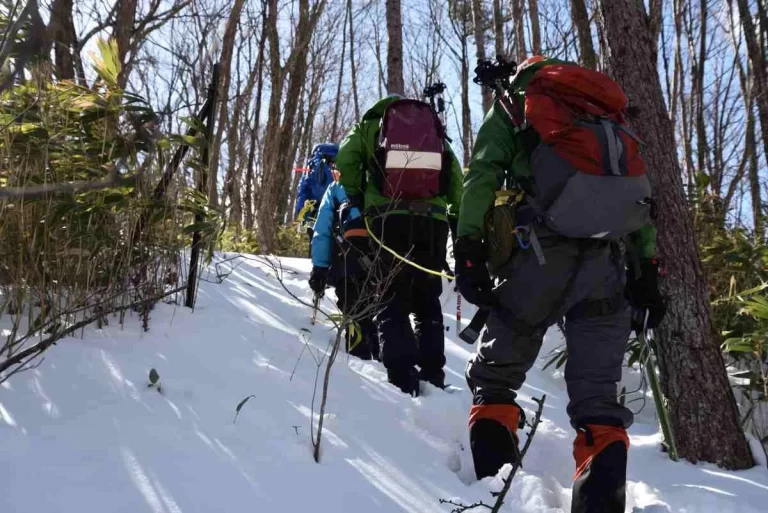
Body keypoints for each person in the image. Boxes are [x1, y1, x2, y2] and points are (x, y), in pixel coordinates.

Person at [454, 56, 667, 513]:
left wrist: (469, 246)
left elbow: (482, 175)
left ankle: (498, 497)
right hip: (608, 264)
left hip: (539, 257)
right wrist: (646, 270)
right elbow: (637, 201)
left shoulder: (516, 106)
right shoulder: (605, 116)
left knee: (495, 378)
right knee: (598, 403)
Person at [336, 94, 464, 396]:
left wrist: (357, 195)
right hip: (432, 221)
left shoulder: (370, 126)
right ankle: (433, 373)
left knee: (391, 298)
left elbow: (346, 159)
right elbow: (455, 176)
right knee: (427, 302)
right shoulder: (432, 129)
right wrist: (454, 215)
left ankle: (402, 375)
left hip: (386, 218)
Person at [308, 179, 379, 360]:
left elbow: (323, 228)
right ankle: (379, 360)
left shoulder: (338, 185)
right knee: (380, 312)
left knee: (354, 306)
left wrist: (320, 267)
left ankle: (360, 362)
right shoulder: (384, 177)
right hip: (382, 254)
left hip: (348, 254)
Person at [295, 143, 340, 249]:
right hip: (336, 211)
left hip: (314, 211)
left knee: (316, 242)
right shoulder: (339, 166)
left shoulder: (312, 167)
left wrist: (301, 213)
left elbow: (303, 191)